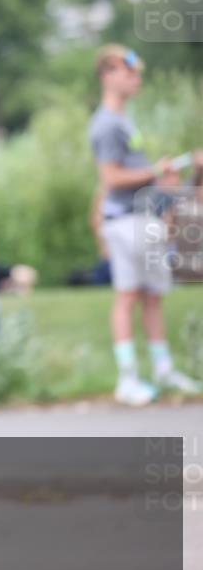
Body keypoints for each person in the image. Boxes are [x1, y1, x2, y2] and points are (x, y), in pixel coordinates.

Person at [88, 45, 199, 405]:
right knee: (127, 296)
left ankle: (163, 369)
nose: (136, 79)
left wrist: (172, 174)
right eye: (128, 72)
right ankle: (128, 378)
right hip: (125, 222)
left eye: (137, 73)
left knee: (153, 297)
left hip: (143, 217)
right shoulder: (105, 124)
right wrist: (154, 172)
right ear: (107, 75)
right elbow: (111, 177)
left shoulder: (124, 120)